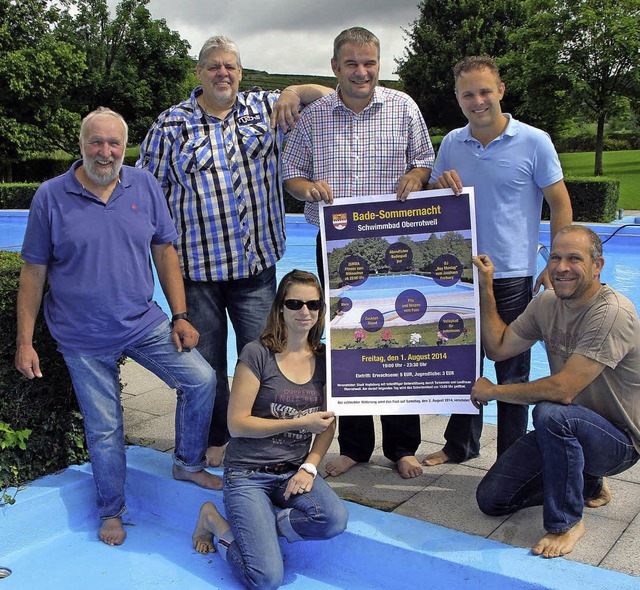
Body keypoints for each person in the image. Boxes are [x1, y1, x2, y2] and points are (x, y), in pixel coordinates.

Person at [15, 107, 219, 547]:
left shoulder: (143, 185)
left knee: (201, 379)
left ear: (126, 147)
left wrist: (180, 315)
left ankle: (187, 461)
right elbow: (33, 272)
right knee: (106, 428)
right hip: (81, 335)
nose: (104, 152)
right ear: (82, 144)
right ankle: (111, 511)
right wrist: (25, 341)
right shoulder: (50, 196)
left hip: (140, 321)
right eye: (96, 142)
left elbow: (164, 250)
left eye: (114, 143)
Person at [138, 36, 333, 470]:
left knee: (263, 359)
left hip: (255, 272)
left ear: (240, 73)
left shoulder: (264, 109)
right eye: (213, 67)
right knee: (205, 370)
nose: (222, 73)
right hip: (197, 273)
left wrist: (290, 92)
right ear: (199, 73)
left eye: (229, 66)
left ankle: (266, 441)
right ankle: (216, 439)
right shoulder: (170, 125)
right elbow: (146, 194)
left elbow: (327, 95)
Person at [281, 26, 434, 479]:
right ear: (335, 68)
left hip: (395, 243)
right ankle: (355, 447)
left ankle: (402, 446)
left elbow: (423, 157)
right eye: (351, 63)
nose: (361, 71)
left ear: (378, 65)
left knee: (400, 339)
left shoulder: (404, 107)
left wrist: (418, 175)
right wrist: (307, 187)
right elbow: (290, 173)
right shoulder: (315, 117)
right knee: (350, 343)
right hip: (335, 244)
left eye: (369, 63)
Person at [424, 55, 572, 467]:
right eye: (467, 93)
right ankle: (460, 445)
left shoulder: (534, 141)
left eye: (485, 91)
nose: (478, 100)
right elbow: (437, 197)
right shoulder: (453, 142)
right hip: (459, 273)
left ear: (501, 91)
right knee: (462, 363)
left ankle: (510, 458)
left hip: (511, 274)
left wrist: (554, 260)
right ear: (457, 98)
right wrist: (438, 182)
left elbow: (560, 204)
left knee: (511, 372)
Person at [472, 225, 640, 558]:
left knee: (549, 412)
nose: (562, 267)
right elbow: (499, 348)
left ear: (597, 266)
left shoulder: (612, 314)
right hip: (568, 429)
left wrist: (495, 391)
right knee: (491, 500)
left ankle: (567, 522)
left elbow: (563, 389)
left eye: (574, 259)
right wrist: (486, 287)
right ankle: (586, 482)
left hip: (619, 441)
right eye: (556, 258)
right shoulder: (547, 303)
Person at [191, 270, 348, 589]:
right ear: (279, 308)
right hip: (247, 474)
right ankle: (214, 521)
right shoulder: (257, 354)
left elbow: (328, 425)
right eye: (295, 303)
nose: (305, 312)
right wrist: (302, 422)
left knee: (333, 519)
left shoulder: (324, 359)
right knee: (265, 579)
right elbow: (237, 424)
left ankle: (263, 527)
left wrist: (309, 467)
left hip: (291, 471)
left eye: (313, 305)